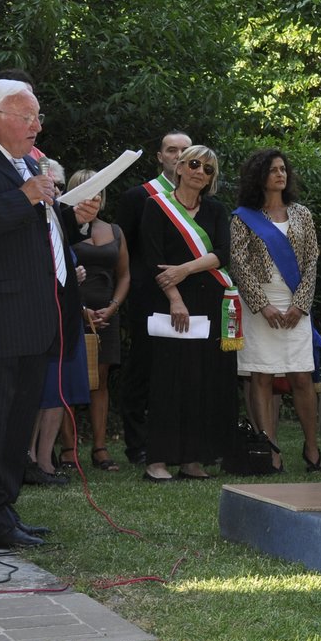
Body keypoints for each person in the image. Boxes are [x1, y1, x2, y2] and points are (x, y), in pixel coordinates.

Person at [0, 78, 97, 549]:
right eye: (27, 117)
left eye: (37, 116)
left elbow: (37, 229)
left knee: (16, 421)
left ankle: (3, 511)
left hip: (35, 313)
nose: (36, 125)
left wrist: (75, 216)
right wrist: (24, 195)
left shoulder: (26, 163)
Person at [138, 145, 238, 482]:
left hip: (209, 302)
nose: (200, 172)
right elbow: (152, 259)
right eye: (194, 164)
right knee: (167, 381)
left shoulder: (215, 209)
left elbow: (223, 253)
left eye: (208, 169)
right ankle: (158, 460)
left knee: (201, 381)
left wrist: (184, 269)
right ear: (179, 168)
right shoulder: (156, 207)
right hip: (170, 303)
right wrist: (174, 296)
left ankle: (192, 459)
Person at [230, 148, 321, 474]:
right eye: (272, 170)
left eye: (283, 169)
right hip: (260, 308)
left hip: (296, 303)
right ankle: (270, 451)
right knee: (262, 376)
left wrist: (300, 304)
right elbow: (239, 266)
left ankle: (312, 448)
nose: (280, 174)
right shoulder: (243, 217)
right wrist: (262, 305)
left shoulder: (302, 215)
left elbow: (312, 262)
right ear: (259, 176)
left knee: (301, 376)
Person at [114, 130, 192, 465]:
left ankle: (182, 440)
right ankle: (138, 443)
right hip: (149, 298)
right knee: (143, 370)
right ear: (160, 157)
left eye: (185, 151)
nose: (178, 156)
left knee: (187, 371)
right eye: (171, 150)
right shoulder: (138, 197)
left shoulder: (204, 200)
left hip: (193, 296)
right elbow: (125, 251)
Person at [27, 159, 89, 486]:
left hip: (65, 317)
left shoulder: (59, 219)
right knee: (36, 391)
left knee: (57, 391)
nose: (55, 191)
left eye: (59, 186)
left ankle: (45, 460)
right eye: (49, 185)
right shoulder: (26, 217)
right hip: (34, 317)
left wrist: (77, 271)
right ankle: (26, 458)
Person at [68, 168, 130, 472]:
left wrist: (113, 307)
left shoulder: (115, 231)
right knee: (69, 378)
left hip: (106, 315)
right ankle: (68, 449)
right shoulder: (62, 229)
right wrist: (81, 310)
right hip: (70, 311)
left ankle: (100, 448)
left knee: (100, 379)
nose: (91, 196)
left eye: (96, 190)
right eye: (84, 190)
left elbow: (125, 274)